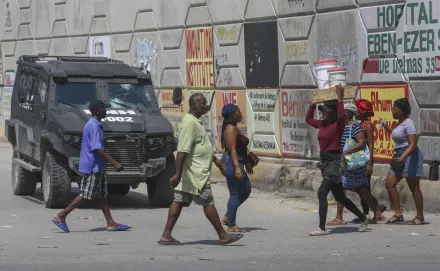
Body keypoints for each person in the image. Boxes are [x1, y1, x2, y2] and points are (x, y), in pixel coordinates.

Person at [158, 93, 244, 245]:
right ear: (193, 106)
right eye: (202, 103)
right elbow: (182, 151)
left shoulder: (196, 121)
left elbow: (198, 147)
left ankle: (166, 235)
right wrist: (177, 174)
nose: (205, 105)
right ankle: (223, 235)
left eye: (205, 102)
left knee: (178, 201)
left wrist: (215, 160)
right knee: (207, 202)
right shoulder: (189, 123)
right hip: (196, 173)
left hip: (191, 172)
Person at [51, 100, 130, 233]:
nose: (106, 111)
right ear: (97, 111)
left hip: (98, 166)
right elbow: (96, 148)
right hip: (94, 166)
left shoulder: (95, 124)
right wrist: (114, 162)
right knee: (85, 195)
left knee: (102, 195)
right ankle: (61, 216)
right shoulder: (94, 126)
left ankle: (111, 223)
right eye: (104, 109)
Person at [305, 86, 369, 236]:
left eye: (326, 111)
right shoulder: (322, 124)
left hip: (334, 161)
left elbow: (341, 117)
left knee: (322, 193)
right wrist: (314, 103)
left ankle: (321, 228)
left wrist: (340, 99)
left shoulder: (337, 125)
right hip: (326, 162)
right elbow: (308, 119)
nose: (323, 114)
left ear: (333, 114)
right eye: (323, 111)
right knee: (340, 197)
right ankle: (363, 217)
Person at [327, 104, 386, 226]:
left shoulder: (355, 126)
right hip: (343, 163)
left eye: (342, 112)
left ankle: (376, 210)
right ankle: (339, 217)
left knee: (361, 191)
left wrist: (349, 151)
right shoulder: (341, 126)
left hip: (353, 164)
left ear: (348, 114)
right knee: (341, 189)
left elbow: (363, 143)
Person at [382, 98, 425, 225]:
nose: (392, 111)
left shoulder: (409, 123)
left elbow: (412, 144)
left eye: (395, 109)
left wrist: (403, 157)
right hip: (399, 155)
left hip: (410, 156)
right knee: (389, 183)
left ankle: (420, 216)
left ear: (402, 111)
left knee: (414, 187)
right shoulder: (399, 123)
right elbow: (398, 136)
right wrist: (386, 127)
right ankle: (398, 213)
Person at [219, 104, 252, 233]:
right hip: (232, 163)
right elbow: (232, 149)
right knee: (235, 193)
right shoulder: (231, 128)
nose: (241, 113)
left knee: (246, 189)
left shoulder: (234, 128)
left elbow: (241, 148)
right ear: (233, 114)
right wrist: (237, 168)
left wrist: (247, 162)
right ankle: (231, 224)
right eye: (238, 111)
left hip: (238, 162)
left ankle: (228, 216)